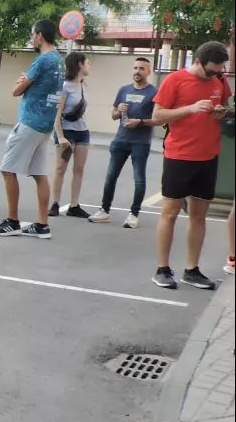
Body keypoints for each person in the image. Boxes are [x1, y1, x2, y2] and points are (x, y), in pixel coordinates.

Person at [151, 41, 231, 290]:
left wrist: (221, 111)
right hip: (179, 156)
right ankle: (162, 269)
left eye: (219, 71)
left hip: (208, 156)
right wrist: (191, 108)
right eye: (211, 71)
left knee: (199, 216)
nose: (215, 75)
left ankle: (192, 270)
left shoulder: (219, 78)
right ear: (197, 61)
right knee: (170, 213)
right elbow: (157, 116)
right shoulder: (175, 80)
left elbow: (226, 107)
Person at [0, 19, 63, 239]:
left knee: (7, 169)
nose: (32, 39)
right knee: (39, 173)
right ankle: (42, 224)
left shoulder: (41, 61)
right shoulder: (60, 61)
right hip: (45, 125)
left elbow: (16, 90)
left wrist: (23, 81)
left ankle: (12, 220)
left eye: (33, 35)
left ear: (40, 35)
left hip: (30, 122)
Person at [87, 56, 158, 228]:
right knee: (111, 176)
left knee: (139, 179)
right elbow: (113, 115)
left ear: (148, 71)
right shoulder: (124, 90)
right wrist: (118, 111)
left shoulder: (153, 92)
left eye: (141, 68)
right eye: (135, 68)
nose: (137, 71)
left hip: (140, 143)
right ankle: (104, 210)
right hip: (121, 140)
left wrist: (140, 122)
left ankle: (134, 214)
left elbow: (158, 120)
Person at [49, 52, 92, 219]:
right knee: (60, 168)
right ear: (80, 64)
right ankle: (55, 203)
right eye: (87, 63)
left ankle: (74, 205)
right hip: (66, 131)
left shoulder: (84, 86)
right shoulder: (64, 86)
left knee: (79, 169)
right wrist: (60, 136)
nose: (90, 66)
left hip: (83, 132)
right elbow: (57, 114)